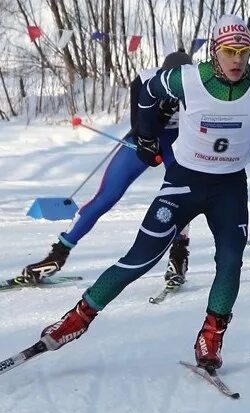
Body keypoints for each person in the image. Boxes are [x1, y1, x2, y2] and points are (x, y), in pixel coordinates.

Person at [37, 15, 250, 371]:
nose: (237, 60)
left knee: (230, 261)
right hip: (185, 182)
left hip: (230, 187)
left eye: (243, 51)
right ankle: (78, 319)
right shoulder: (188, 78)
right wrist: (145, 137)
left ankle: (211, 335)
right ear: (214, 51)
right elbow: (146, 91)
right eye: (229, 51)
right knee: (140, 259)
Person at [21, 50, 194, 289]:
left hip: (178, 141)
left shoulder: (198, 84)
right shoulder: (144, 81)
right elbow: (139, 127)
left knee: (181, 195)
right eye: (169, 82)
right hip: (144, 136)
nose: (174, 88)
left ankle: (179, 253)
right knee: (106, 196)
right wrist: (160, 117)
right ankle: (58, 254)